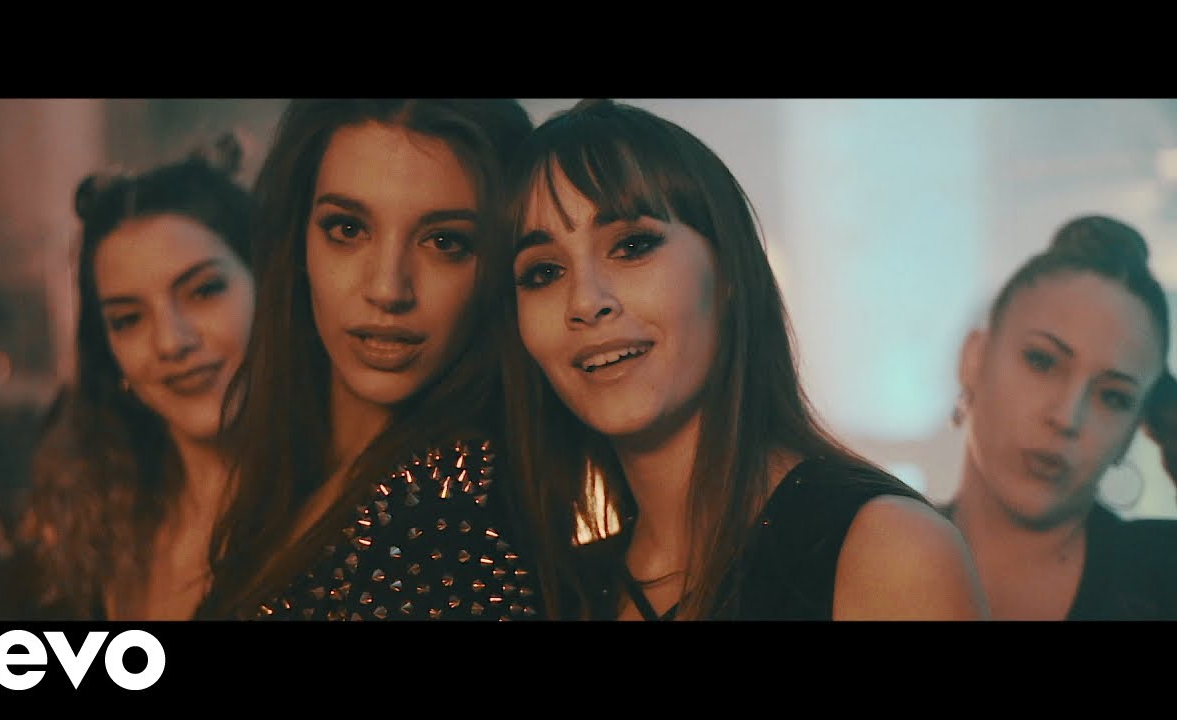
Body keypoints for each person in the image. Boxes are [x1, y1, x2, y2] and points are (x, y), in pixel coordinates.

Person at [500, 99, 989, 620]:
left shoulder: (886, 550)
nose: (584, 301)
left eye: (632, 245)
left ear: (728, 271)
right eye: (543, 272)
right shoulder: (555, 593)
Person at [198, 99, 543, 621]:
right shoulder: (292, 472)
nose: (387, 289)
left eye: (445, 241)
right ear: (297, 243)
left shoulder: (449, 537)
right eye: (348, 229)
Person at [0, 133, 256, 620]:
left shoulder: (347, 519)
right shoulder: (94, 536)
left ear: (270, 286)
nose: (170, 342)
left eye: (203, 291)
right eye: (128, 319)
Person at [943, 214, 1177, 620]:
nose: (1067, 417)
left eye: (1113, 397)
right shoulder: (869, 552)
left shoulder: (1165, 575)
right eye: (1042, 361)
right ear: (974, 359)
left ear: (1136, 428)